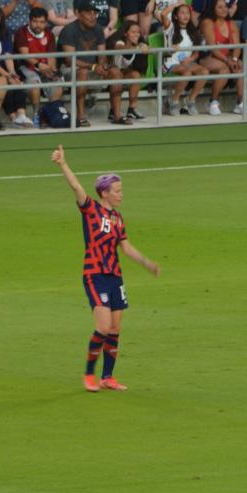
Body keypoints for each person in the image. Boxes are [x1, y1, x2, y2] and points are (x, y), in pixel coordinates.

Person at [49, 145, 160, 392]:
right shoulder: (90, 210)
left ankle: (107, 377)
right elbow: (77, 188)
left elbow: (126, 248)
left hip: (115, 277)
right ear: (104, 193)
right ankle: (89, 375)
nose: (121, 194)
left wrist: (147, 263)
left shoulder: (118, 218)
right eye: (117, 191)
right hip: (94, 275)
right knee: (103, 327)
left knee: (116, 329)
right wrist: (63, 164)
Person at [59, 2, 131, 126]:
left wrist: (102, 65)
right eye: (88, 13)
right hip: (70, 69)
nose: (93, 16)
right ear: (78, 14)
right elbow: (69, 59)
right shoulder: (69, 30)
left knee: (115, 71)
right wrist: (92, 66)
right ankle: (81, 117)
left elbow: (101, 54)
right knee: (82, 72)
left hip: (92, 68)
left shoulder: (98, 29)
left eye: (95, 13)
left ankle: (117, 115)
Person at [0, 5, 35, 127]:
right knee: (5, 83)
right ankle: (13, 117)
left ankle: (21, 114)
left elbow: (7, 54)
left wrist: (12, 72)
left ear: (1, 17)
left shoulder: (5, 32)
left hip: (4, 66)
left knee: (17, 80)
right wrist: (7, 75)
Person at [161, 3, 210, 115]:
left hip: (186, 63)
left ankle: (191, 100)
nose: (185, 15)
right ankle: (173, 101)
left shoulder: (193, 31)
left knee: (204, 71)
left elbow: (196, 53)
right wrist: (176, 5)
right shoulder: (170, 27)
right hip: (171, 64)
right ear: (175, 16)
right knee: (187, 72)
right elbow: (163, 14)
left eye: (187, 13)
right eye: (182, 12)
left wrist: (191, 58)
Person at [201, 0, 247, 115]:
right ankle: (213, 101)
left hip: (228, 57)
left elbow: (237, 46)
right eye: (219, 7)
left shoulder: (231, 24)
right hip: (208, 56)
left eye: (225, 7)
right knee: (225, 69)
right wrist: (228, 60)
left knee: (240, 66)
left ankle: (240, 103)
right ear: (213, 9)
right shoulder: (208, 22)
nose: (224, 9)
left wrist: (235, 59)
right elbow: (212, 47)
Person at [16, 6, 64, 116]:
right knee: (34, 82)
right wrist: (39, 65)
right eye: (35, 21)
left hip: (44, 67)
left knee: (57, 81)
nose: (38, 25)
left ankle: (53, 112)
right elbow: (25, 55)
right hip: (26, 67)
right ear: (29, 21)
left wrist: (50, 69)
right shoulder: (21, 32)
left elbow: (52, 56)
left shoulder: (49, 34)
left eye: (42, 22)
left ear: (46, 23)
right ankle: (37, 114)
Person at [105, 20, 148, 120]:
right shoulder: (119, 42)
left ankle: (132, 109)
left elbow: (151, 51)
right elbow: (121, 48)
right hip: (109, 72)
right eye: (133, 32)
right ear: (125, 33)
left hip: (122, 72)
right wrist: (138, 47)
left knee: (136, 75)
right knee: (116, 74)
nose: (136, 35)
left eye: (138, 32)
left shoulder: (138, 45)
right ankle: (113, 111)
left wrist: (145, 46)